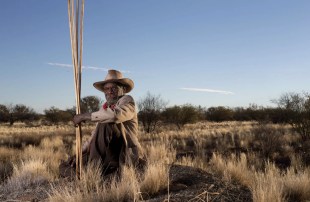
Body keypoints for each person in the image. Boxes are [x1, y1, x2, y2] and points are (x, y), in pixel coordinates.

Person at [60, 69, 146, 178]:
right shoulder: (105, 107)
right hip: (105, 154)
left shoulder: (127, 100)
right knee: (65, 165)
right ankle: (89, 175)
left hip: (122, 152)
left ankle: (93, 171)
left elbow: (115, 116)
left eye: (114, 88)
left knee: (106, 122)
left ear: (123, 89)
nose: (109, 91)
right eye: (106, 89)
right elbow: (95, 135)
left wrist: (84, 116)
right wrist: (79, 153)